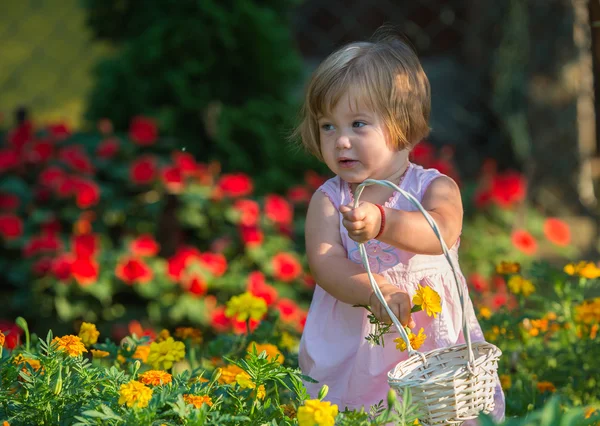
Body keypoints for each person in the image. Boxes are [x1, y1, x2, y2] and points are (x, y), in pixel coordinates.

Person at [294, 29, 505, 422]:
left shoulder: (433, 187)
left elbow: (442, 233)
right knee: (358, 412)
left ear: (402, 124)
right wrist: (375, 291)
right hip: (357, 341)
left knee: (440, 413)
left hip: (430, 343)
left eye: (358, 124)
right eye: (328, 126)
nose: (340, 141)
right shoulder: (330, 200)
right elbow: (325, 264)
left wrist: (383, 222)